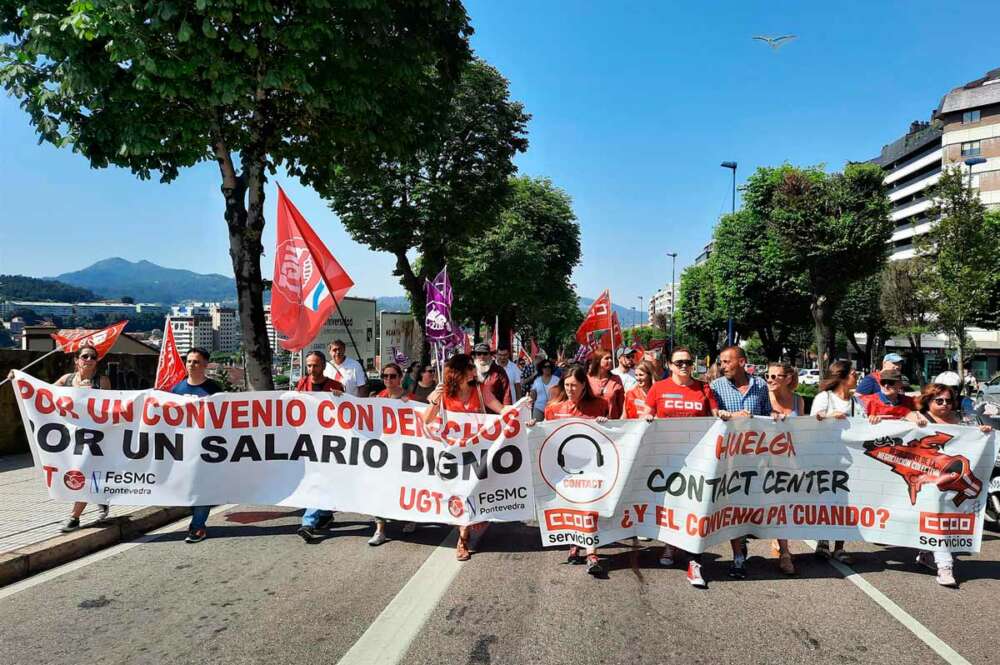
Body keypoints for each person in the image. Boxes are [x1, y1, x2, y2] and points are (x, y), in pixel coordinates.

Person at [423, 354, 511, 561]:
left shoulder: (480, 390)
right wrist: (435, 400)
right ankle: (463, 536)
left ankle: (464, 534)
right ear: (459, 371)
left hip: (475, 451)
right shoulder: (444, 393)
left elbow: (501, 409)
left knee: (471, 492)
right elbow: (427, 419)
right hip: (452, 453)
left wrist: (519, 410)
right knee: (458, 493)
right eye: (470, 366)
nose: (474, 369)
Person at [644, 346, 717, 587]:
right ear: (670, 365)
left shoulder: (704, 388)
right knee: (671, 504)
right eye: (679, 362)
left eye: (687, 362)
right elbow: (647, 416)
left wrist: (733, 417)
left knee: (695, 507)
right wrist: (647, 420)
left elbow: (718, 417)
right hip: (667, 458)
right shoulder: (658, 388)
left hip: (699, 460)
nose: (684, 366)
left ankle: (694, 560)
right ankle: (668, 545)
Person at [911, 383, 993, 587]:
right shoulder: (919, 418)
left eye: (949, 400)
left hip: (954, 479)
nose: (945, 404)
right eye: (939, 400)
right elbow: (903, 424)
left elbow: (974, 437)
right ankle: (945, 567)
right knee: (939, 518)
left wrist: (982, 431)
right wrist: (914, 421)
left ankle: (926, 553)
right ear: (928, 401)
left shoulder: (962, 420)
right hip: (930, 481)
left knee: (948, 519)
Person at [534, 364, 610, 576]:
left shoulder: (600, 405)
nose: (570, 389)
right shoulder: (553, 408)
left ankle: (592, 553)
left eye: (574, 385)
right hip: (564, 469)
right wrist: (533, 425)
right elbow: (544, 435)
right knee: (571, 507)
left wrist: (606, 423)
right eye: (566, 385)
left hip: (592, 468)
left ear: (584, 385)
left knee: (589, 507)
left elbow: (613, 434)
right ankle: (575, 542)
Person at [710, 346, 774, 579]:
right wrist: (726, 415)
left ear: (742, 362)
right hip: (729, 458)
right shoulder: (716, 387)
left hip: (756, 458)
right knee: (733, 506)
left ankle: (745, 538)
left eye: (727, 361)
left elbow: (767, 413)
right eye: (721, 362)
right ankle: (738, 558)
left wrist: (775, 416)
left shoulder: (760, 386)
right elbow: (711, 415)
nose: (723, 365)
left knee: (752, 505)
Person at [54, 344, 113, 532]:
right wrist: (19, 379)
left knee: (83, 470)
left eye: (93, 357)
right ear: (76, 360)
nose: (88, 360)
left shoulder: (102, 381)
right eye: (85, 356)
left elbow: (110, 408)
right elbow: (42, 393)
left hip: (94, 435)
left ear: (97, 362)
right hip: (71, 436)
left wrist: (92, 394)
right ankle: (99, 497)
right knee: (73, 470)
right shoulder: (66, 380)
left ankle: (74, 517)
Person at [810, 360, 863, 563]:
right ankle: (823, 540)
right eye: (853, 373)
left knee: (846, 503)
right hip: (828, 458)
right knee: (826, 499)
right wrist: (828, 416)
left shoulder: (856, 402)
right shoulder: (825, 398)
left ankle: (840, 546)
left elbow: (864, 424)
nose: (856, 376)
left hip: (851, 460)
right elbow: (813, 421)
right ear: (842, 376)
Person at [171, 348, 223, 544]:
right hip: (183, 449)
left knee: (202, 487)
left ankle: (198, 526)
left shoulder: (214, 389)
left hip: (208, 449)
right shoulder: (177, 390)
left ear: (205, 365)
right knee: (189, 489)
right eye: (189, 361)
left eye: (197, 362)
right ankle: (197, 519)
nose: (192, 365)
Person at [296, 351, 345, 543]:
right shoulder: (301, 384)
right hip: (308, 439)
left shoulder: (335, 386)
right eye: (309, 365)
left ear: (324, 366)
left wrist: (341, 399)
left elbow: (347, 412)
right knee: (316, 480)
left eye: (315, 365)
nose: (311, 369)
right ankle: (324, 513)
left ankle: (308, 522)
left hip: (329, 441)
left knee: (319, 480)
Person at [764, 361, 804, 576]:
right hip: (763, 459)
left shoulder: (798, 400)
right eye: (768, 376)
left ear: (788, 378)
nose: (770, 380)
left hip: (788, 461)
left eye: (776, 376)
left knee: (784, 506)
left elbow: (803, 430)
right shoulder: (764, 397)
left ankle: (785, 552)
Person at [367, 363, 412, 544]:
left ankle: (411, 517)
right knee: (380, 488)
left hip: (404, 451)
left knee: (405, 486)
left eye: (392, 376)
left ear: (400, 377)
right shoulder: (378, 398)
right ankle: (380, 529)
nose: (388, 380)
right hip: (383, 452)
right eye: (385, 376)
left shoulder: (410, 399)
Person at [472, 343, 512, 413]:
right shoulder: (469, 371)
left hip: (494, 416)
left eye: (485, 354)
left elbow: (507, 394)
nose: (482, 356)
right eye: (479, 354)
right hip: (474, 415)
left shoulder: (499, 371)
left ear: (490, 355)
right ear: (475, 356)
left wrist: (507, 415)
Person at [588, 349, 625, 419]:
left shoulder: (616, 379)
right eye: (606, 358)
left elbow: (621, 405)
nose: (610, 360)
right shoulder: (588, 379)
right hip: (593, 423)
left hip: (612, 424)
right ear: (598, 360)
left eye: (611, 358)